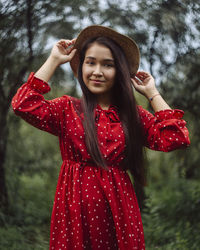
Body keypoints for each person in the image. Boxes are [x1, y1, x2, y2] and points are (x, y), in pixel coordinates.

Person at [12, 25, 190, 250]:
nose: (97, 71)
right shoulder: (68, 109)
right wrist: (54, 60)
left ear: (120, 72)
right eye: (90, 62)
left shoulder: (132, 116)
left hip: (119, 214)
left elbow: (176, 137)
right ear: (81, 66)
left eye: (108, 64)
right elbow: (23, 104)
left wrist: (152, 93)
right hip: (74, 212)